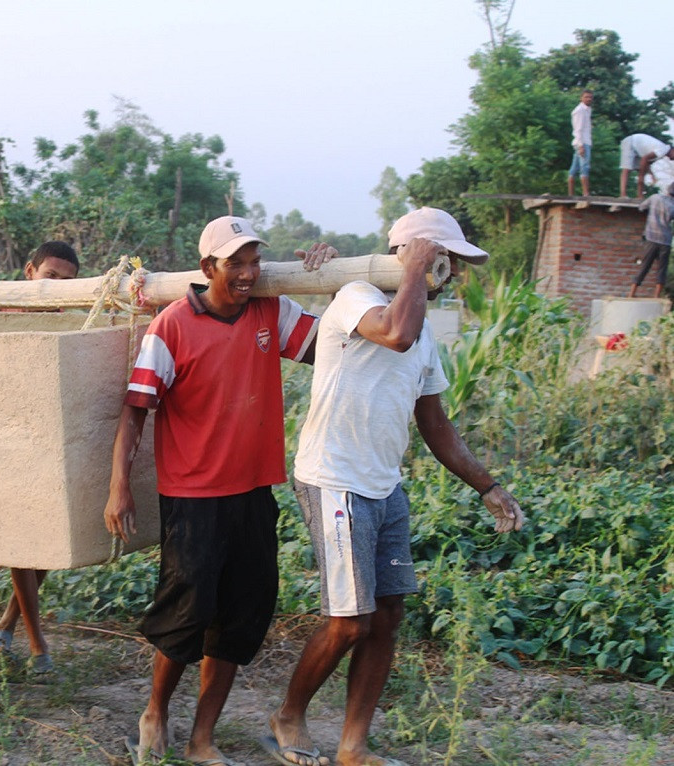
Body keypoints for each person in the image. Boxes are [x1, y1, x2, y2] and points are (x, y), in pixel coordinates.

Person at [262, 207, 526, 766]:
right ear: (415, 256)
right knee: (350, 620)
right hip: (334, 478)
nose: (450, 272)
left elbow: (435, 425)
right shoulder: (357, 296)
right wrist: (412, 269)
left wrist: (488, 486)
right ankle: (288, 714)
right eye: (442, 259)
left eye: (450, 263)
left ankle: (353, 745)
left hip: (384, 487)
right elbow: (394, 334)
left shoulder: (425, 331)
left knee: (386, 617)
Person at [104, 216, 335, 765]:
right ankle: (156, 712)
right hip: (193, 496)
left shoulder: (271, 313)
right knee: (187, 611)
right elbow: (136, 411)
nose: (250, 273)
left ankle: (202, 737)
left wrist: (328, 280)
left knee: (238, 618)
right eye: (237, 263)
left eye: (256, 261)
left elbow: (338, 340)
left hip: (253, 491)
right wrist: (119, 486)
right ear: (209, 268)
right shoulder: (172, 326)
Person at [0, 241, 80, 674]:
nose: (56, 287)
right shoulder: (1, 314)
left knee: (45, 548)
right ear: (29, 271)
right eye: (50, 277)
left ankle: (3, 628)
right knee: (25, 543)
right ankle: (38, 647)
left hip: (52, 443)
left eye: (67, 282)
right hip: (8, 444)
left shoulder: (75, 320)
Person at [628, 182, 674, 299]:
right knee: (662, 269)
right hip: (666, 241)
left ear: (668, 190)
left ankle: (632, 293)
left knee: (645, 266)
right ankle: (656, 296)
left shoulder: (655, 198)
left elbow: (641, 207)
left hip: (652, 237)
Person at [619, 133, 674, 199]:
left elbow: (647, 163)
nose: (672, 160)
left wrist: (652, 175)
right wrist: (641, 175)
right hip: (631, 142)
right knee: (627, 169)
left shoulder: (662, 153)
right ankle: (623, 195)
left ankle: (639, 196)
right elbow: (644, 159)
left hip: (638, 150)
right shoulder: (663, 150)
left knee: (640, 173)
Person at [568, 89, 593, 197]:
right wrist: (581, 145)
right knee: (585, 167)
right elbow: (578, 129)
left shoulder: (587, 110)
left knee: (574, 168)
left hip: (585, 141)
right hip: (582, 142)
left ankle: (571, 194)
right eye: (586, 97)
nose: (589, 99)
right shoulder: (580, 110)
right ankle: (586, 193)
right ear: (581, 98)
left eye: (590, 97)